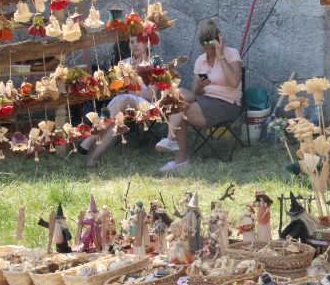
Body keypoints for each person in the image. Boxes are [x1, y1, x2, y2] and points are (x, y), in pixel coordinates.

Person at [155, 20, 243, 172]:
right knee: (176, 95)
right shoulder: (200, 60)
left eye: (212, 48)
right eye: (206, 48)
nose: (209, 52)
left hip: (227, 104)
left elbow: (234, 82)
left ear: (220, 42)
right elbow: (195, 92)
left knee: (180, 109)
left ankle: (178, 155)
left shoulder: (232, 54)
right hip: (205, 99)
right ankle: (172, 144)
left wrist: (221, 56)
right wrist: (201, 86)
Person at [83, 36, 154, 166]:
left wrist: (129, 91)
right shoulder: (124, 63)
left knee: (123, 100)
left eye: (139, 41)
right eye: (132, 42)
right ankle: (91, 159)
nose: (135, 45)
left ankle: (90, 138)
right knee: (116, 120)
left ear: (147, 43)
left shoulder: (154, 63)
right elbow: (116, 89)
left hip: (145, 105)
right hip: (121, 103)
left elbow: (151, 94)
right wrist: (119, 88)